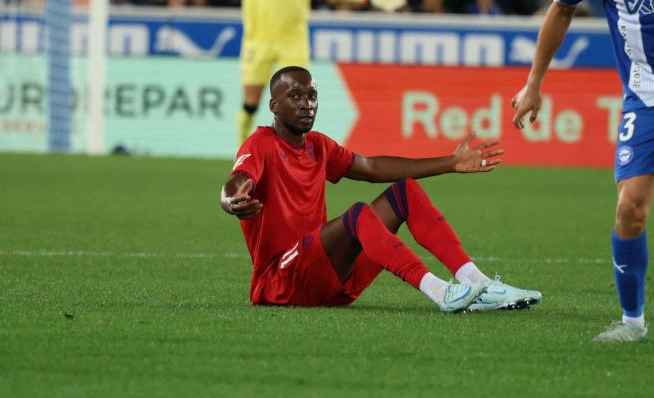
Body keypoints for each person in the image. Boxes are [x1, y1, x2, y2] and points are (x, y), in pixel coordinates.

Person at [221, 66, 542, 312]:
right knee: (358, 214)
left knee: (406, 192)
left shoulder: (318, 146)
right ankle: (439, 291)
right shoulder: (261, 143)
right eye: (295, 97)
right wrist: (233, 199)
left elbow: (372, 168)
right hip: (280, 282)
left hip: (328, 280)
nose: (306, 105)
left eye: (312, 96)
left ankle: (479, 285)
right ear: (275, 106)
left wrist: (450, 163)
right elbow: (237, 181)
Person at [511, 0, 654, 342]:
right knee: (630, 208)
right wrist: (534, 83)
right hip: (647, 101)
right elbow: (561, 7)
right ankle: (632, 323)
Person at [133, 0, 407, 146]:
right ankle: (243, 159)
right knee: (250, 103)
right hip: (258, 41)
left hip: (293, 40)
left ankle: (296, 159)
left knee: (300, 107)